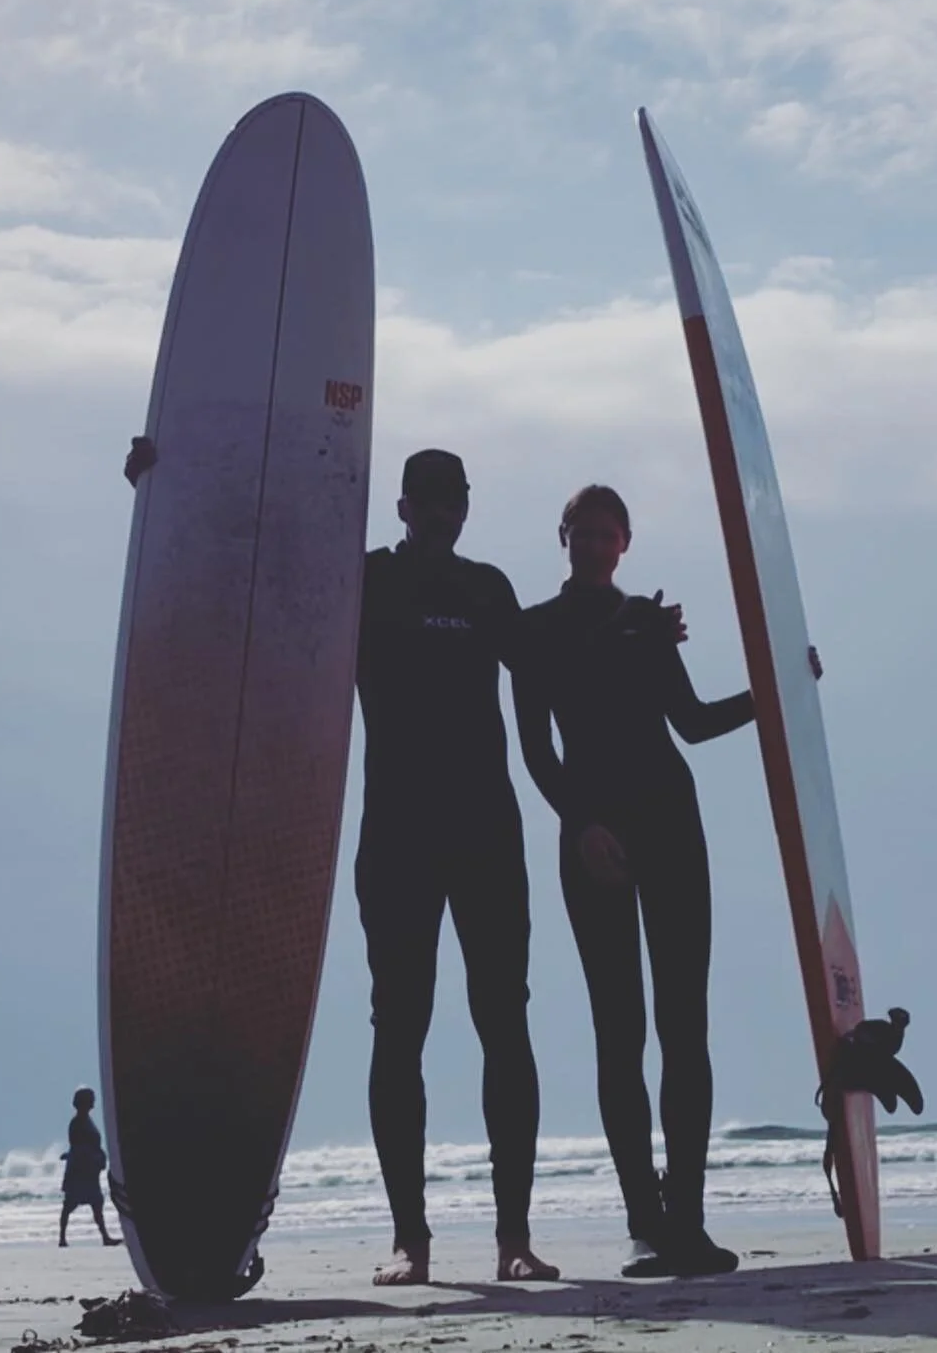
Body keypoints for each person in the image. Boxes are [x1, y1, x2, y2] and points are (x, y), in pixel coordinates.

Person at [512, 484, 821, 1279]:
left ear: (625, 543)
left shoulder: (647, 623)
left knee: (685, 1025)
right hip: (593, 839)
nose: (592, 545)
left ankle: (687, 1219)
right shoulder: (535, 631)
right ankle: (644, 1225)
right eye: (580, 532)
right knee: (619, 1031)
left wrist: (776, 692)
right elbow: (537, 749)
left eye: (605, 534)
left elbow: (692, 721)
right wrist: (581, 825)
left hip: (671, 827)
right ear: (562, 537)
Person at [354, 449, 558, 1287]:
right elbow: (271, 583)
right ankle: (411, 1239)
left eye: (455, 501)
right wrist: (161, 474)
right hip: (397, 834)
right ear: (403, 506)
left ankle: (515, 1238)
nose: (443, 513)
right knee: (399, 1027)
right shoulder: (365, 580)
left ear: (466, 508)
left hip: (486, 833)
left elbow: (546, 666)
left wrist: (636, 632)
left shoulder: (487, 589)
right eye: (429, 501)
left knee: (505, 1023)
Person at [59, 1086, 122, 1248]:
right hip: (81, 1169)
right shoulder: (77, 1123)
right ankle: (62, 1237)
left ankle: (105, 1237)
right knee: (70, 1204)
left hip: (88, 1169)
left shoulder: (86, 1121)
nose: (93, 1102)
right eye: (90, 1099)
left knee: (96, 1202)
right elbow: (78, 1145)